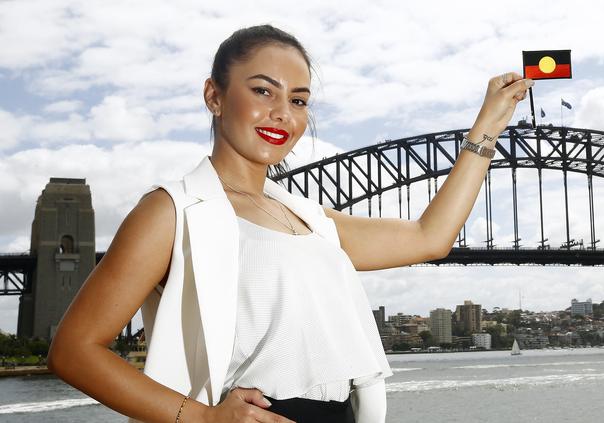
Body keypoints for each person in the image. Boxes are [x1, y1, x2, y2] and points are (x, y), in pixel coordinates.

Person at [47, 24, 533, 423]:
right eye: (263, 90)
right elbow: (73, 351)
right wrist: (200, 418)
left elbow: (432, 238)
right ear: (214, 96)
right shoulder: (173, 210)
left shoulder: (310, 219)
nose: (283, 113)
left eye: (298, 100)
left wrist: (488, 124)